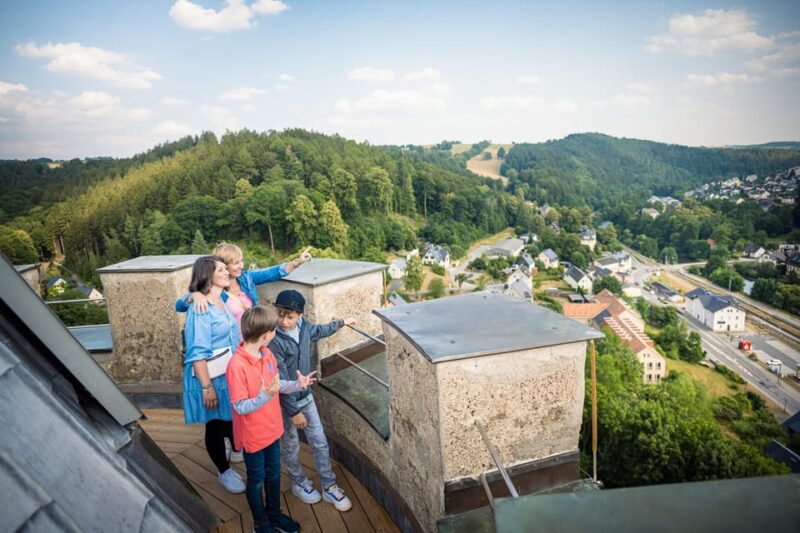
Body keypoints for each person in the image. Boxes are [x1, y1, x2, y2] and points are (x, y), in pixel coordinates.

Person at [177, 243, 312, 462]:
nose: (241, 265)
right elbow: (181, 304)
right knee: (219, 419)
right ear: (220, 267)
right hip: (223, 361)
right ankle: (226, 462)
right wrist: (193, 295)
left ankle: (239, 441)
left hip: (246, 353)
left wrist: (296, 262)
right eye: (235, 262)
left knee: (237, 406)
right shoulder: (210, 297)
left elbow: (272, 272)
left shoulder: (245, 279)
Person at [227, 305, 317, 533]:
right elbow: (241, 406)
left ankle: (274, 515)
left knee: (274, 475)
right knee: (257, 479)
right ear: (265, 334)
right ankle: (261, 522)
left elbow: (276, 386)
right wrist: (264, 395)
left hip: (272, 430)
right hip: (253, 436)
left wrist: (297, 384)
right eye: (274, 330)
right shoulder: (236, 366)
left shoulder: (267, 354)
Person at [269, 289, 355, 512]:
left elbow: (320, 330)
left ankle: (329, 486)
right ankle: (299, 483)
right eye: (280, 315)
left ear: (299, 315)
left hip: (306, 397)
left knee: (319, 441)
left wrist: (342, 323)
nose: (284, 321)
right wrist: (293, 411)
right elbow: (280, 380)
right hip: (286, 403)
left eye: (290, 316)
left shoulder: (305, 327)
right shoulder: (274, 340)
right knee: (291, 445)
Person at [182, 256, 244, 494]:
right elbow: (197, 352)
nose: (227, 272)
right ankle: (223, 471)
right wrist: (207, 387)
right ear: (208, 276)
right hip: (209, 377)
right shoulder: (200, 308)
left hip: (227, 374)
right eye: (221, 270)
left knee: (228, 417)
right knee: (215, 424)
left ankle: (235, 449)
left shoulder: (222, 299)